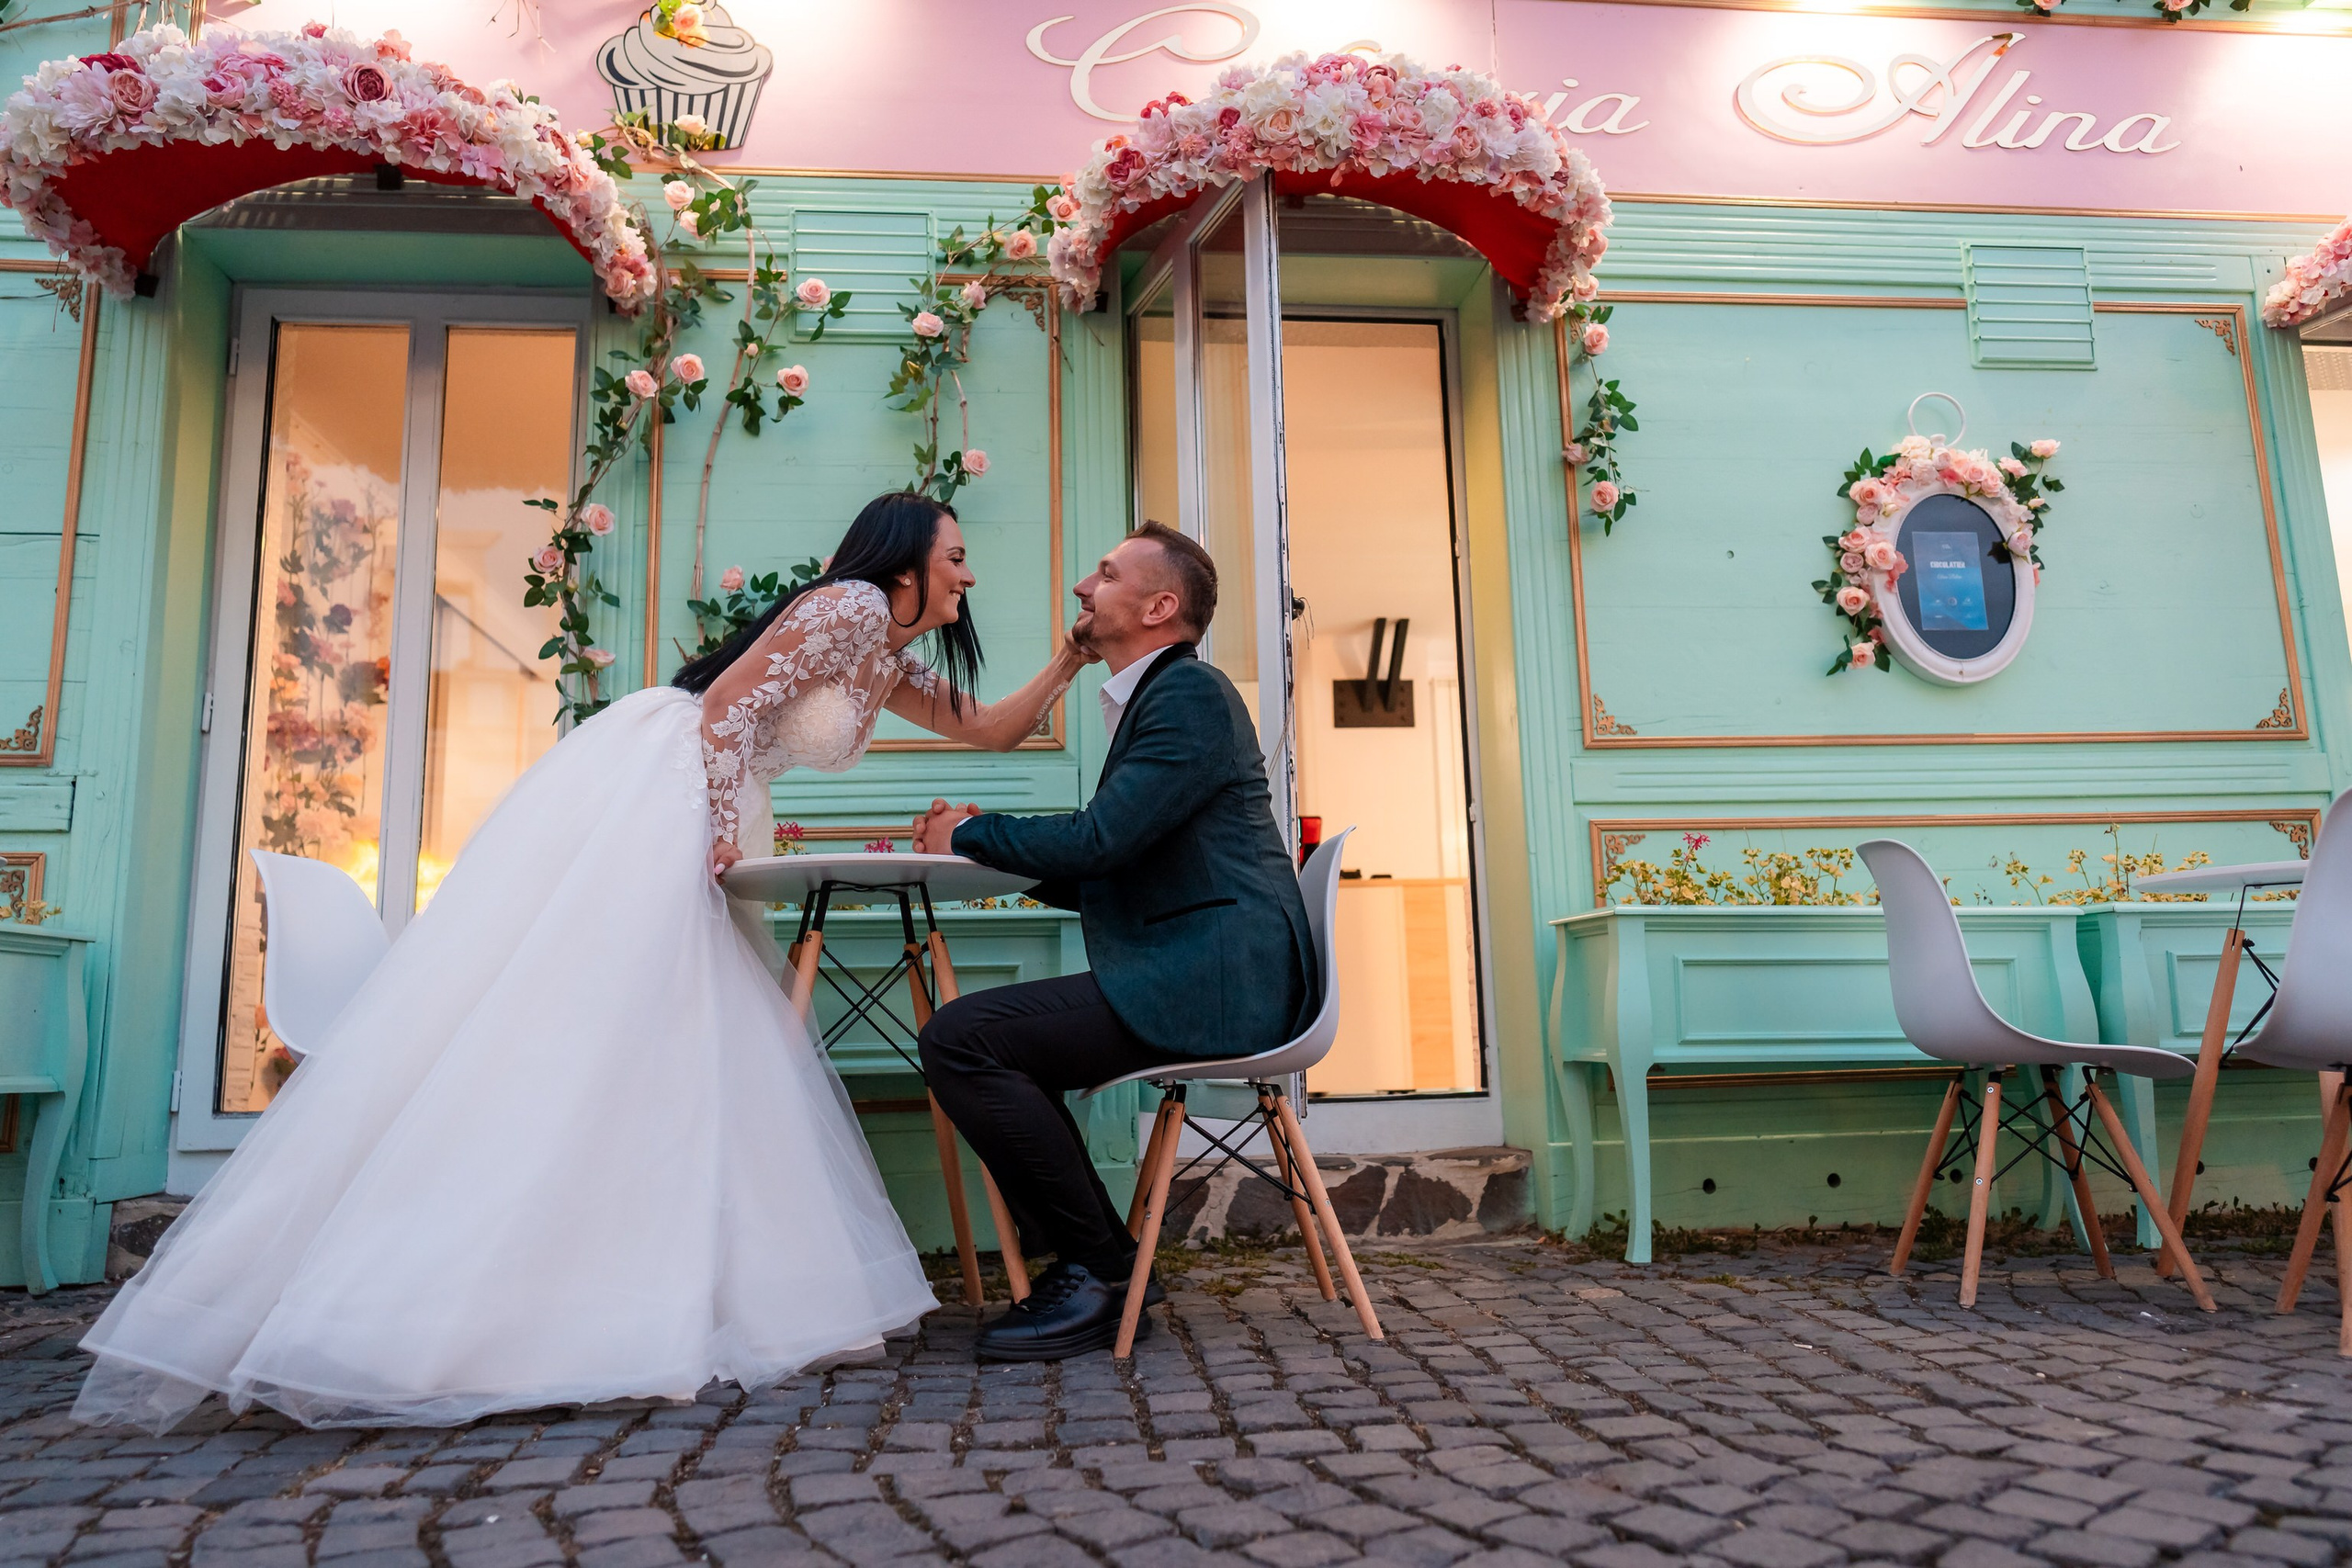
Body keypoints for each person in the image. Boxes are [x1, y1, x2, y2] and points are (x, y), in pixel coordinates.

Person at [74, 491, 1087, 1432]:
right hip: (667, 782)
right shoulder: (852, 607)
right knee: (604, 1016)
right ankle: (478, 1286)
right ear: (906, 562)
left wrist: (1071, 659)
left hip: (713, 788)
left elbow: (995, 728)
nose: (966, 573)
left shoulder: (886, 653)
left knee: (670, 1035)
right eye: (956, 555)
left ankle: (632, 1274)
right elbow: (727, 709)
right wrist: (719, 830)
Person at [911, 521, 1317, 1360]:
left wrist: (973, 833)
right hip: (1204, 970)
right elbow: (1116, 862)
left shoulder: (1187, 694)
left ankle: (1098, 1270)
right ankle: (1101, 1266)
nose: (1081, 588)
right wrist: (986, 848)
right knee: (983, 1041)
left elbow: (1100, 840)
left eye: (1104, 574)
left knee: (963, 1039)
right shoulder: (1167, 696)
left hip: (1215, 982)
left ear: (1159, 607)